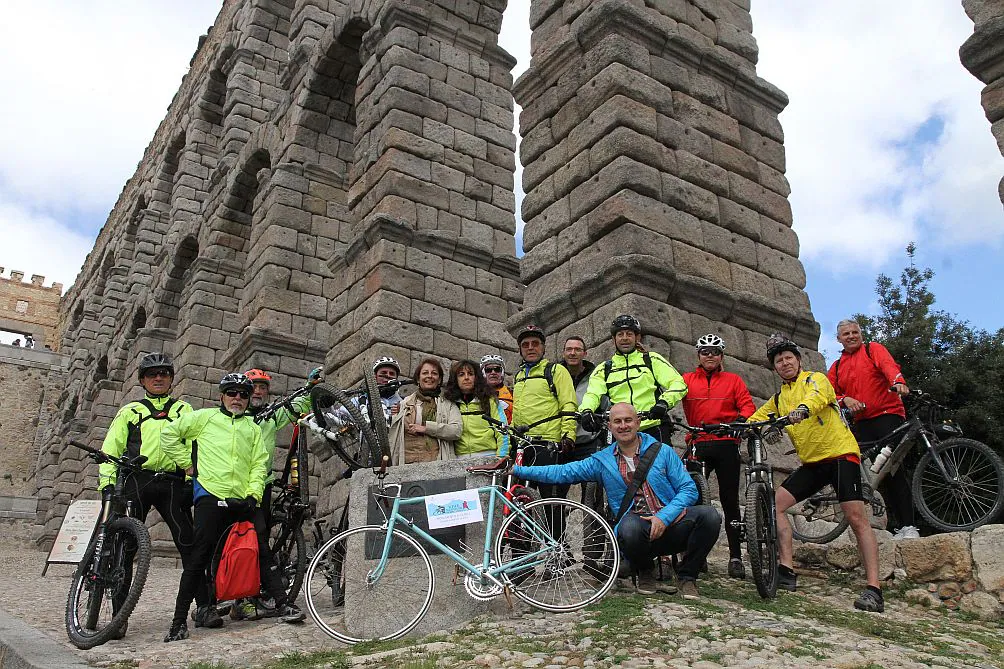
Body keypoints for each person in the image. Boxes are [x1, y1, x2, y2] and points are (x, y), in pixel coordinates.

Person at [514, 402, 720, 598]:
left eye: (628, 420)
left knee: (710, 516)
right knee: (629, 527)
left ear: (638, 422)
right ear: (610, 426)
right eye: (618, 422)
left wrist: (664, 517)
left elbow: (688, 489)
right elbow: (563, 472)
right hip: (636, 532)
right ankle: (645, 570)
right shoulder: (602, 461)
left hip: (671, 524)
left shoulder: (662, 451)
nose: (623, 426)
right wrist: (517, 469)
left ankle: (687, 576)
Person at [160, 373, 305, 642]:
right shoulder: (204, 418)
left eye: (242, 394)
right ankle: (179, 621)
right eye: (231, 393)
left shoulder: (252, 427)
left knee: (261, 551)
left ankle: (284, 604)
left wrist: (252, 494)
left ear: (248, 399)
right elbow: (169, 434)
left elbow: (259, 464)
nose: (237, 398)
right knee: (199, 556)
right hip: (210, 496)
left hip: (244, 499)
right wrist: (189, 466)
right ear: (221, 396)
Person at [752, 334, 885, 613]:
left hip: (840, 456)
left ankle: (874, 588)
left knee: (856, 517)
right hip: (813, 463)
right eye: (779, 360)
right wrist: (735, 428)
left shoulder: (816, 379)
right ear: (774, 368)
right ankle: (786, 570)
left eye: (789, 357)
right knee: (776, 504)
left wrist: (802, 410)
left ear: (798, 360)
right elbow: (757, 417)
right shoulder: (779, 398)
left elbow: (816, 398)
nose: (785, 363)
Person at [98, 353, 196, 638]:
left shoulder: (184, 410)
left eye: (164, 373)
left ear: (171, 379)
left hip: (173, 482)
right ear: (142, 380)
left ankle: (203, 605)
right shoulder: (130, 411)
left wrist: (193, 480)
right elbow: (112, 448)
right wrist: (107, 482)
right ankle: (119, 617)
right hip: (135, 480)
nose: (158, 378)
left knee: (188, 543)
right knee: (125, 549)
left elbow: (194, 446)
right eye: (152, 374)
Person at [228, 367, 319, 621]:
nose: (258, 391)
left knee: (257, 540)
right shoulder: (230, 416)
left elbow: (296, 405)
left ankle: (247, 596)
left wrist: (312, 387)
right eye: (254, 386)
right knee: (227, 541)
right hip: (230, 486)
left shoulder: (269, 416)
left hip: (261, 487)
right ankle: (214, 596)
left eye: (264, 388)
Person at [827, 319, 917, 540]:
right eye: (845, 334)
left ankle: (909, 525)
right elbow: (827, 395)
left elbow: (888, 366)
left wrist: (898, 381)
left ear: (861, 334)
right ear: (839, 339)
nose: (851, 336)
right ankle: (898, 525)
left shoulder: (872, 349)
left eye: (854, 332)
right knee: (876, 476)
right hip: (862, 424)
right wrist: (844, 399)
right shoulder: (837, 367)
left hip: (887, 416)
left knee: (892, 469)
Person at [681, 334, 755, 579]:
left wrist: (741, 420)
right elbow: (671, 392)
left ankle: (735, 556)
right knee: (693, 499)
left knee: (729, 499)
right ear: (698, 356)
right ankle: (696, 555)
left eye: (714, 351)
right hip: (699, 441)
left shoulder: (733, 380)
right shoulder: (687, 380)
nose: (709, 355)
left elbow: (746, 404)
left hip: (725, 442)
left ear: (721, 356)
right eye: (705, 351)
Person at [578, 315, 687, 442]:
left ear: (637, 337)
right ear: (614, 339)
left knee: (661, 462)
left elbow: (678, 384)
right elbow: (592, 394)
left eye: (629, 334)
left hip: (653, 426)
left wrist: (664, 403)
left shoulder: (651, 360)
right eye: (620, 334)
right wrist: (586, 410)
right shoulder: (604, 369)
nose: (625, 338)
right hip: (621, 429)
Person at [388, 357, 462, 464]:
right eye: (425, 373)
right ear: (418, 379)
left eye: (434, 373)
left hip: (437, 462)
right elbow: (395, 435)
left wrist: (426, 428)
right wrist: (395, 416)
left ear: (440, 379)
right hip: (406, 463)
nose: (429, 376)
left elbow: (456, 431)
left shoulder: (448, 405)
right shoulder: (404, 404)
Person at [443, 360, 510, 458]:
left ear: (476, 377)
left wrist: (502, 457)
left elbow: (503, 430)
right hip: (459, 459)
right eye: (461, 375)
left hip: (489, 456)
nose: (466, 378)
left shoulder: (489, 400)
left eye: (470, 374)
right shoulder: (449, 403)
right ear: (455, 379)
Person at [480, 354, 513, 422]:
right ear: (483, 373)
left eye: (497, 369)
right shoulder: (476, 394)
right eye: (488, 370)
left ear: (502, 372)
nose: (493, 372)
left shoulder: (512, 393)